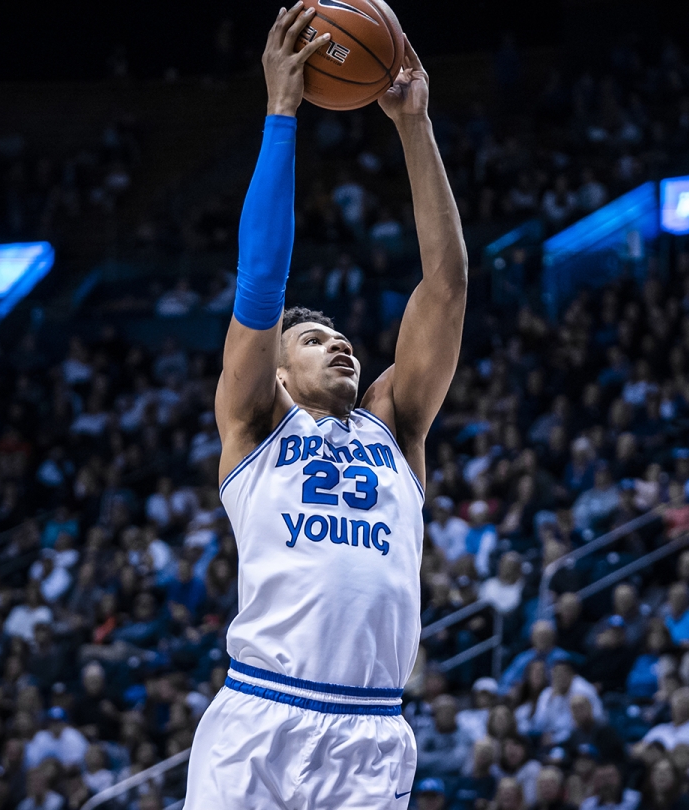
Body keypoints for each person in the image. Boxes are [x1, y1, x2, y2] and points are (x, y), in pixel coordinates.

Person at [185, 5, 468, 808]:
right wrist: (281, 115)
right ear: (274, 371)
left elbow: (445, 290)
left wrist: (414, 127)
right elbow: (261, 285)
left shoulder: (394, 426)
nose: (339, 342)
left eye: (342, 336)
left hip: (373, 733)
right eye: (313, 339)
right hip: (262, 717)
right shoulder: (254, 426)